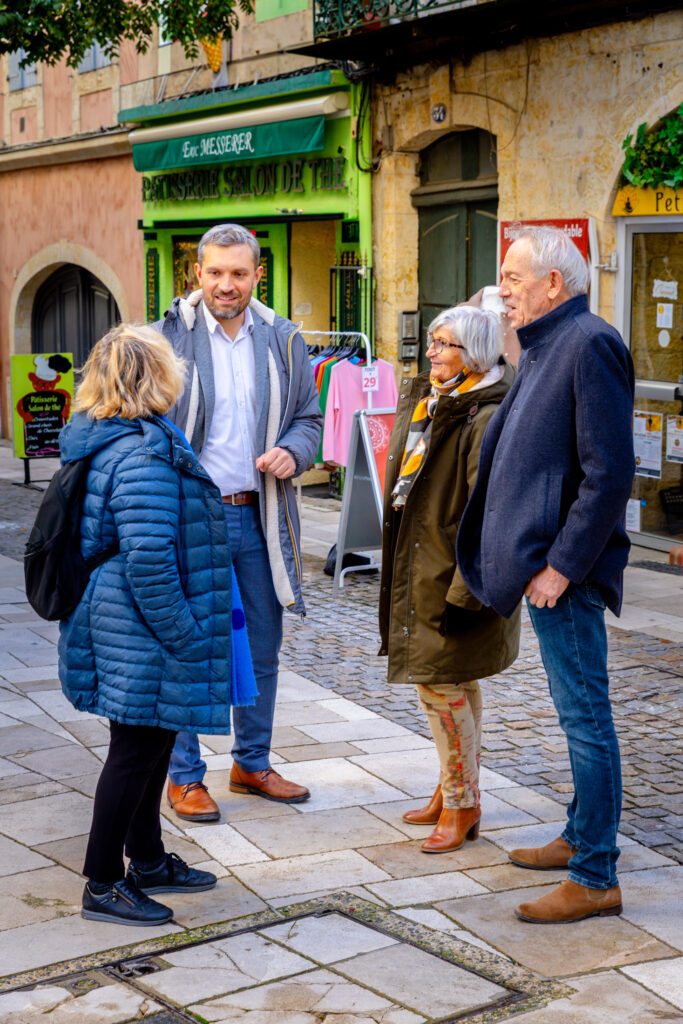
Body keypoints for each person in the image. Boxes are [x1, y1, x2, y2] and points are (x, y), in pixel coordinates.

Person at [457, 225, 635, 923]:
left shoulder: (588, 342)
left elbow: (608, 472)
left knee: (586, 719)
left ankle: (595, 875)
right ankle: (577, 836)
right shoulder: (540, 344)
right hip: (545, 566)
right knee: (574, 716)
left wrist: (561, 565)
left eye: (513, 276)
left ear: (553, 284)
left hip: (567, 572)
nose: (502, 287)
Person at [58, 324, 250, 926]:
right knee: (135, 750)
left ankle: (147, 859)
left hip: (128, 621)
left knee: (151, 739)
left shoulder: (123, 437)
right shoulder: (141, 452)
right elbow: (148, 561)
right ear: (155, 378)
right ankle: (102, 882)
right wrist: (188, 636)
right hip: (141, 626)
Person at [157, 223, 323, 821]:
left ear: (258, 274)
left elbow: (310, 417)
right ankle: (184, 775)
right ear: (196, 274)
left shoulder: (282, 339)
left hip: (258, 516)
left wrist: (294, 452)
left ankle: (252, 762)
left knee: (262, 647)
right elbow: (135, 421)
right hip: (189, 518)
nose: (227, 285)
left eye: (239, 273)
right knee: (186, 647)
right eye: (216, 272)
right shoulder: (163, 338)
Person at [379, 306, 520, 853]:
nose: (431, 352)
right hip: (425, 563)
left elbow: (488, 514)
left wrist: (467, 592)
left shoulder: (481, 415)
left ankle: (462, 805)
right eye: (433, 343)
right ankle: (453, 788)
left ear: (475, 355)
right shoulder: (439, 398)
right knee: (451, 682)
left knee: (442, 686)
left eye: (443, 345)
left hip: (448, 575)